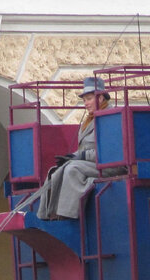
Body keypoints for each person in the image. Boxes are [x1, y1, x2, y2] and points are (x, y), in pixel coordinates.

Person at [37, 75, 111, 219]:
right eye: (84, 100)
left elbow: (110, 154)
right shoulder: (89, 120)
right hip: (93, 163)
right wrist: (70, 157)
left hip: (108, 166)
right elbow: (84, 149)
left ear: (100, 98)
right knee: (56, 171)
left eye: (89, 99)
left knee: (72, 169)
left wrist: (81, 156)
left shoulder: (110, 117)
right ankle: (47, 214)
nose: (86, 103)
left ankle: (68, 216)